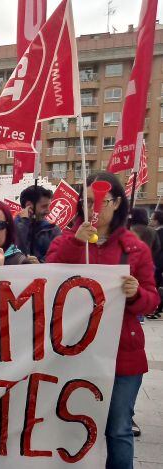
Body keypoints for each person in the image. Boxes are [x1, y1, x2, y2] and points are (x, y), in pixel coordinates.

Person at [46, 172, 158, 468]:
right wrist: (73, 243)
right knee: (73, 428)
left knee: (118, 429)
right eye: (86, 201)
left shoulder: (135, 248)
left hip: (123, 352)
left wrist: (136, 295)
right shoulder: (67, 241)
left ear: (117, 202)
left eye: (101, 201)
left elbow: (151, 299)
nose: (93, 207)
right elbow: (48, 277)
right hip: (75, 350)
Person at [15, 184, 61, 263]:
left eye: (49, 206)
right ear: (29, 205)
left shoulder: (52, 230)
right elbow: (13, 251)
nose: (48, 211)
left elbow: (57, 257)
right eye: (44, 206)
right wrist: (24, 223)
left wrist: (40, 264)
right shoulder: (9, 227)